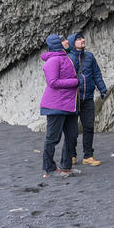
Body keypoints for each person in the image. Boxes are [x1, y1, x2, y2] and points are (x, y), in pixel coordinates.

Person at [39, 33, 79, 178]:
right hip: (55, 105)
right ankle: (48, 169)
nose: (67, 41)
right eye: (63, 40)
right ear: (57, 44)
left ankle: (65, 167)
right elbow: (53, 82)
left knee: (72, 136)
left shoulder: (66, 57)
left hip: (69, 105)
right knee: (53, 138)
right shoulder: (53, 61)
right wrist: (75, 82)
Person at [67, 32, 108, 166]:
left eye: (82, 38)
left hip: (88, 97)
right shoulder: (68, 58)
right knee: (72, 129)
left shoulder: (90, 57)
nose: (82, 40)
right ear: (73, 43)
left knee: (89, 127)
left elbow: (97, 74)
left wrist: (102, 89)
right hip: (73, 98)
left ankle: (88, 156)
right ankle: (71, 155)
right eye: (79, 39)